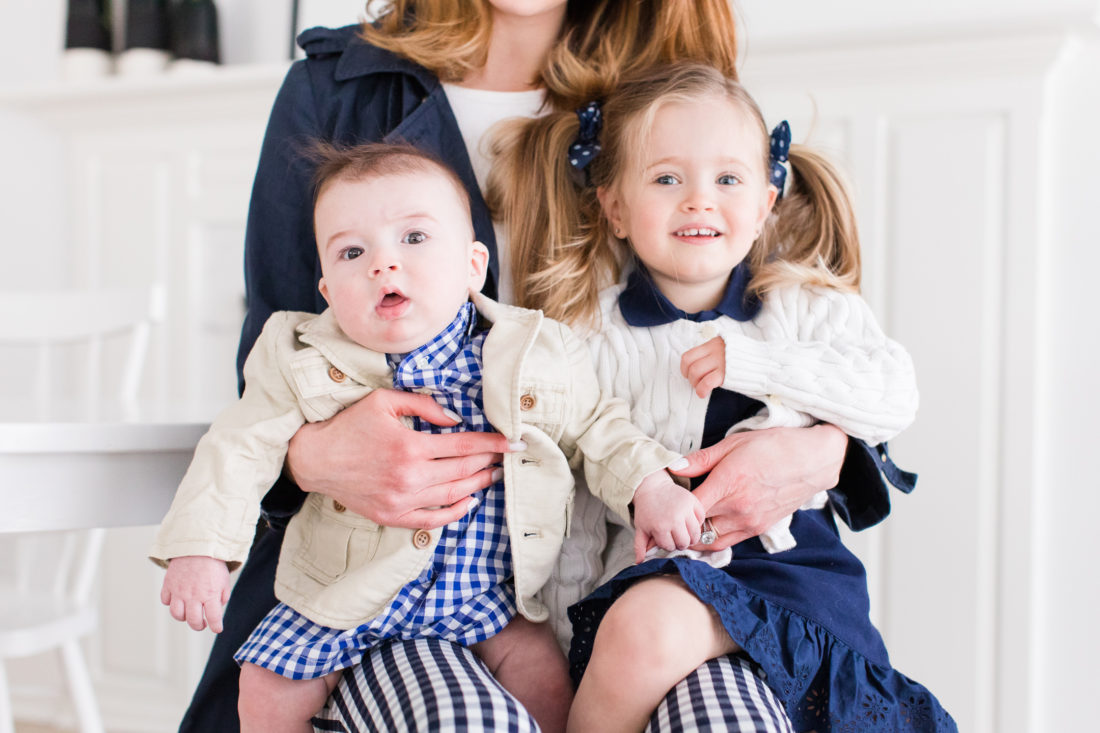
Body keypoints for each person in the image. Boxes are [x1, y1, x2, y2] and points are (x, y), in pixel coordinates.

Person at [184, 2, 914, 730]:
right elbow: (274, 370)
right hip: (375, 575)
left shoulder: (663, 85)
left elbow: (797, 334)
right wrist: (317, 456)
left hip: (584, 582)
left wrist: (825, 448)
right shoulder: (339, 87)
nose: (700, 195)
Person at [153, 142, 705, 733]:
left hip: (486, 600)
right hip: (345, 597)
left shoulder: (530, 353)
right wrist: (203, 550)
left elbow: (600, 429)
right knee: (263, 686)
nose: (382, 265)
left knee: (548, 688)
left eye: (413, 239)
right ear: (327, 291)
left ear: (474, 265)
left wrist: (650, 486)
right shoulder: (299, 356)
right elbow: (238, 445)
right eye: (352, 251)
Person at [490, 61, 956, 731]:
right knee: (641, 628)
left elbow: (894, 392)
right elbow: (576, 514)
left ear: (765, 201)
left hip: (796, 578)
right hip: (656, 582)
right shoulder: (590, 338)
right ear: (615, 207)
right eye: (666, 178)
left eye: (727, 179)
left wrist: (758, 363)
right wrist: (568, 643)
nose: (699, 200)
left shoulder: (804, 305)